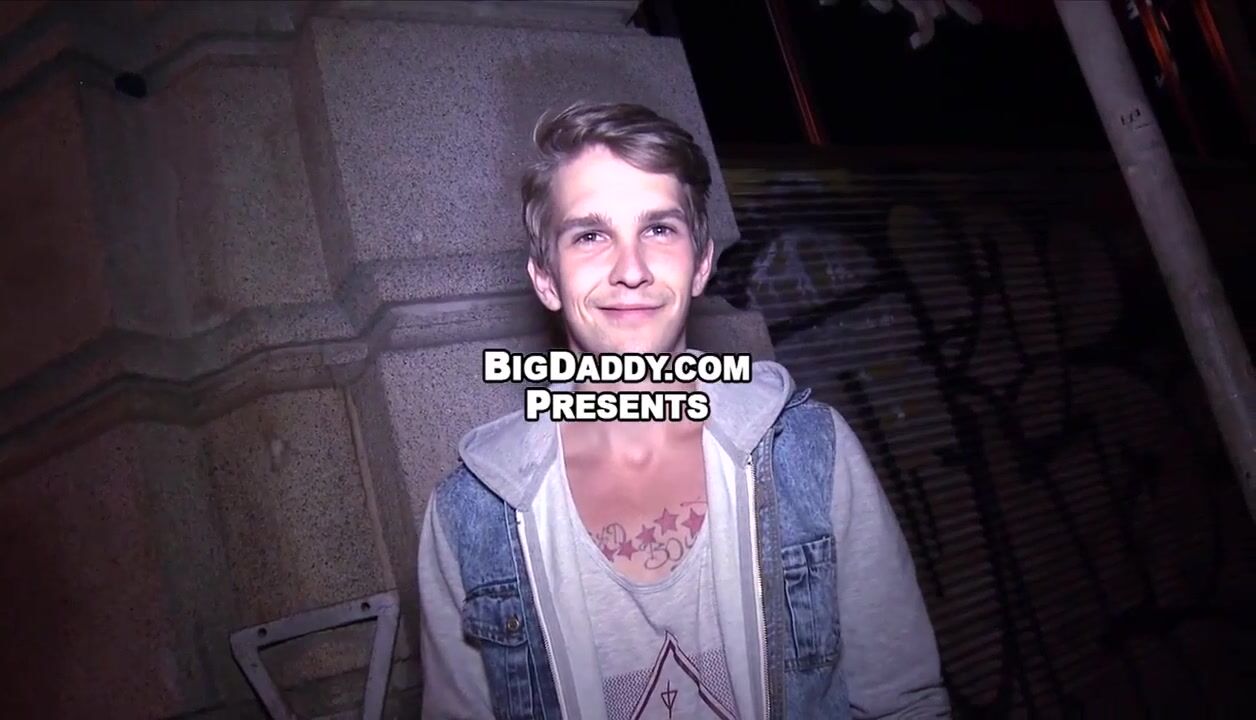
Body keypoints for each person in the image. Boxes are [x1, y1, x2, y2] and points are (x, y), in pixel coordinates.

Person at [417, 101, 950, 719]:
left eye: (659, 230)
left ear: (701, 264)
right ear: (545, 280)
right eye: (590, 236)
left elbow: (901, 702)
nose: (631, 270)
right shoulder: (470, 514)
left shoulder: (810, 451)